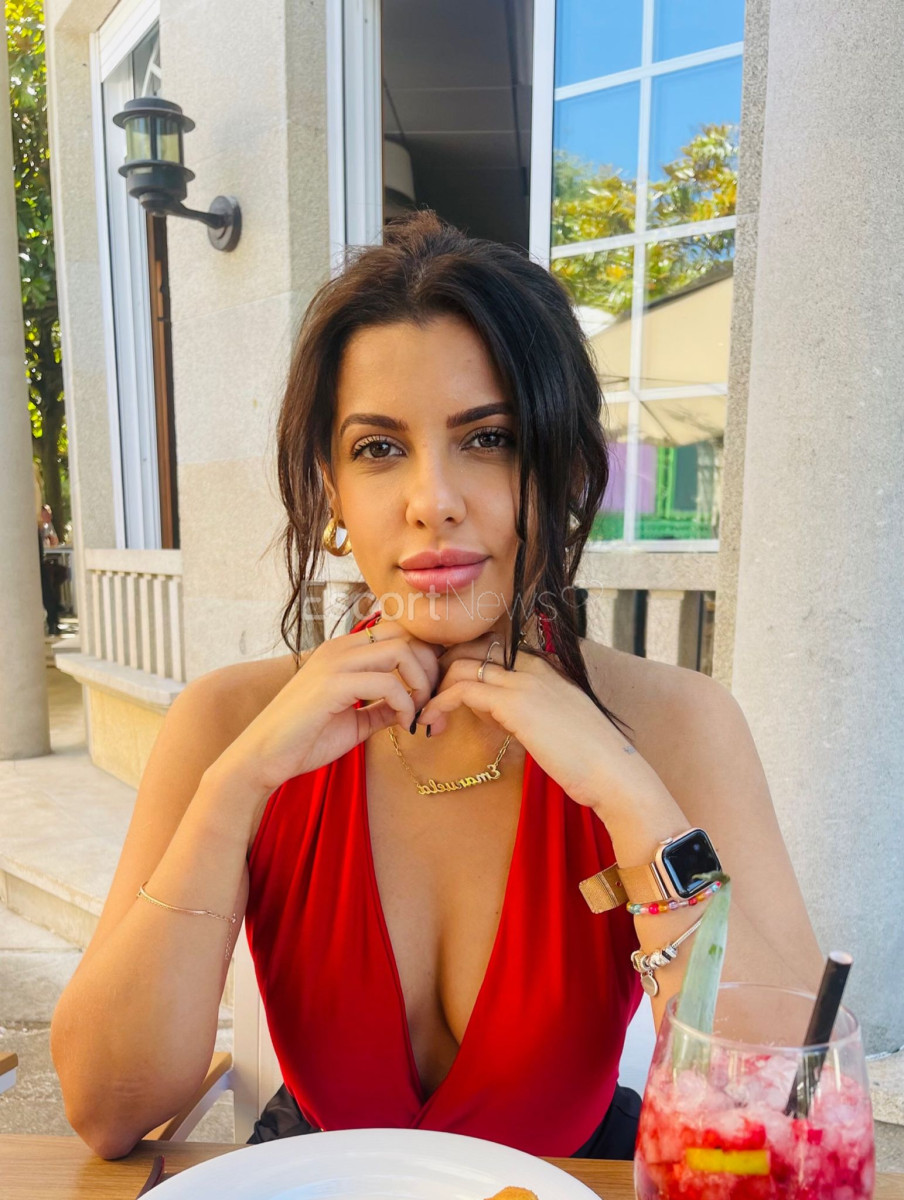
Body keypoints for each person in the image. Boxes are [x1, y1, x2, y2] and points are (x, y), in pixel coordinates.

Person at [50, 211, 824, 1162]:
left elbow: (787, 1105)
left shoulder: (676, 724)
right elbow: (106, 1108)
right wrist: (236, 790)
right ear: (333, 494)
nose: (432, 502)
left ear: (568, 469)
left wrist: (630, 795)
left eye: (489, 438)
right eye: (378, 449)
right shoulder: (229, 722)